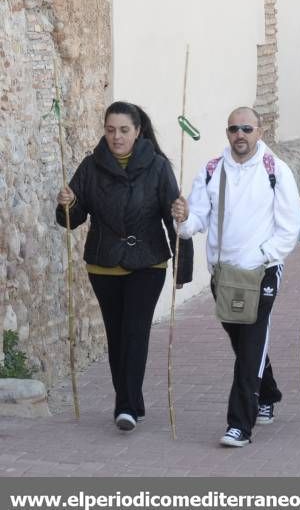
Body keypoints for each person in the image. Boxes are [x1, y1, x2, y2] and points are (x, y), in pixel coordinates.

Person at [55, 101, 193, 432]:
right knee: (116, 336)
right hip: (103, 265)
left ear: (137, 131)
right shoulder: (90, 167)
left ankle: (126, 406)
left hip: (148, 262)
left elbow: (175, 220)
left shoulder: (158, 167)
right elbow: (72, 220)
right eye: (111, 130)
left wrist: (182, 265)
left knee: (135, 332)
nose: (117, 137)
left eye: (124, 130)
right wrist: (67, 204)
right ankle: (132, 401)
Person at [171, 107, 300, 447]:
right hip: (224, 274)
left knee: (251, 344)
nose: (240, 135)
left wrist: (264, 256)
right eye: (233, 129)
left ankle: (239, 425)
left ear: (260, 131)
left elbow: (291, 225)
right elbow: (196, 219)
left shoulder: (276, 170)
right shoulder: (213, 170)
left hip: (261, 272)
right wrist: (184, 219)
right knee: (242, 340)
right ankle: (268, 392)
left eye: (247, 128)